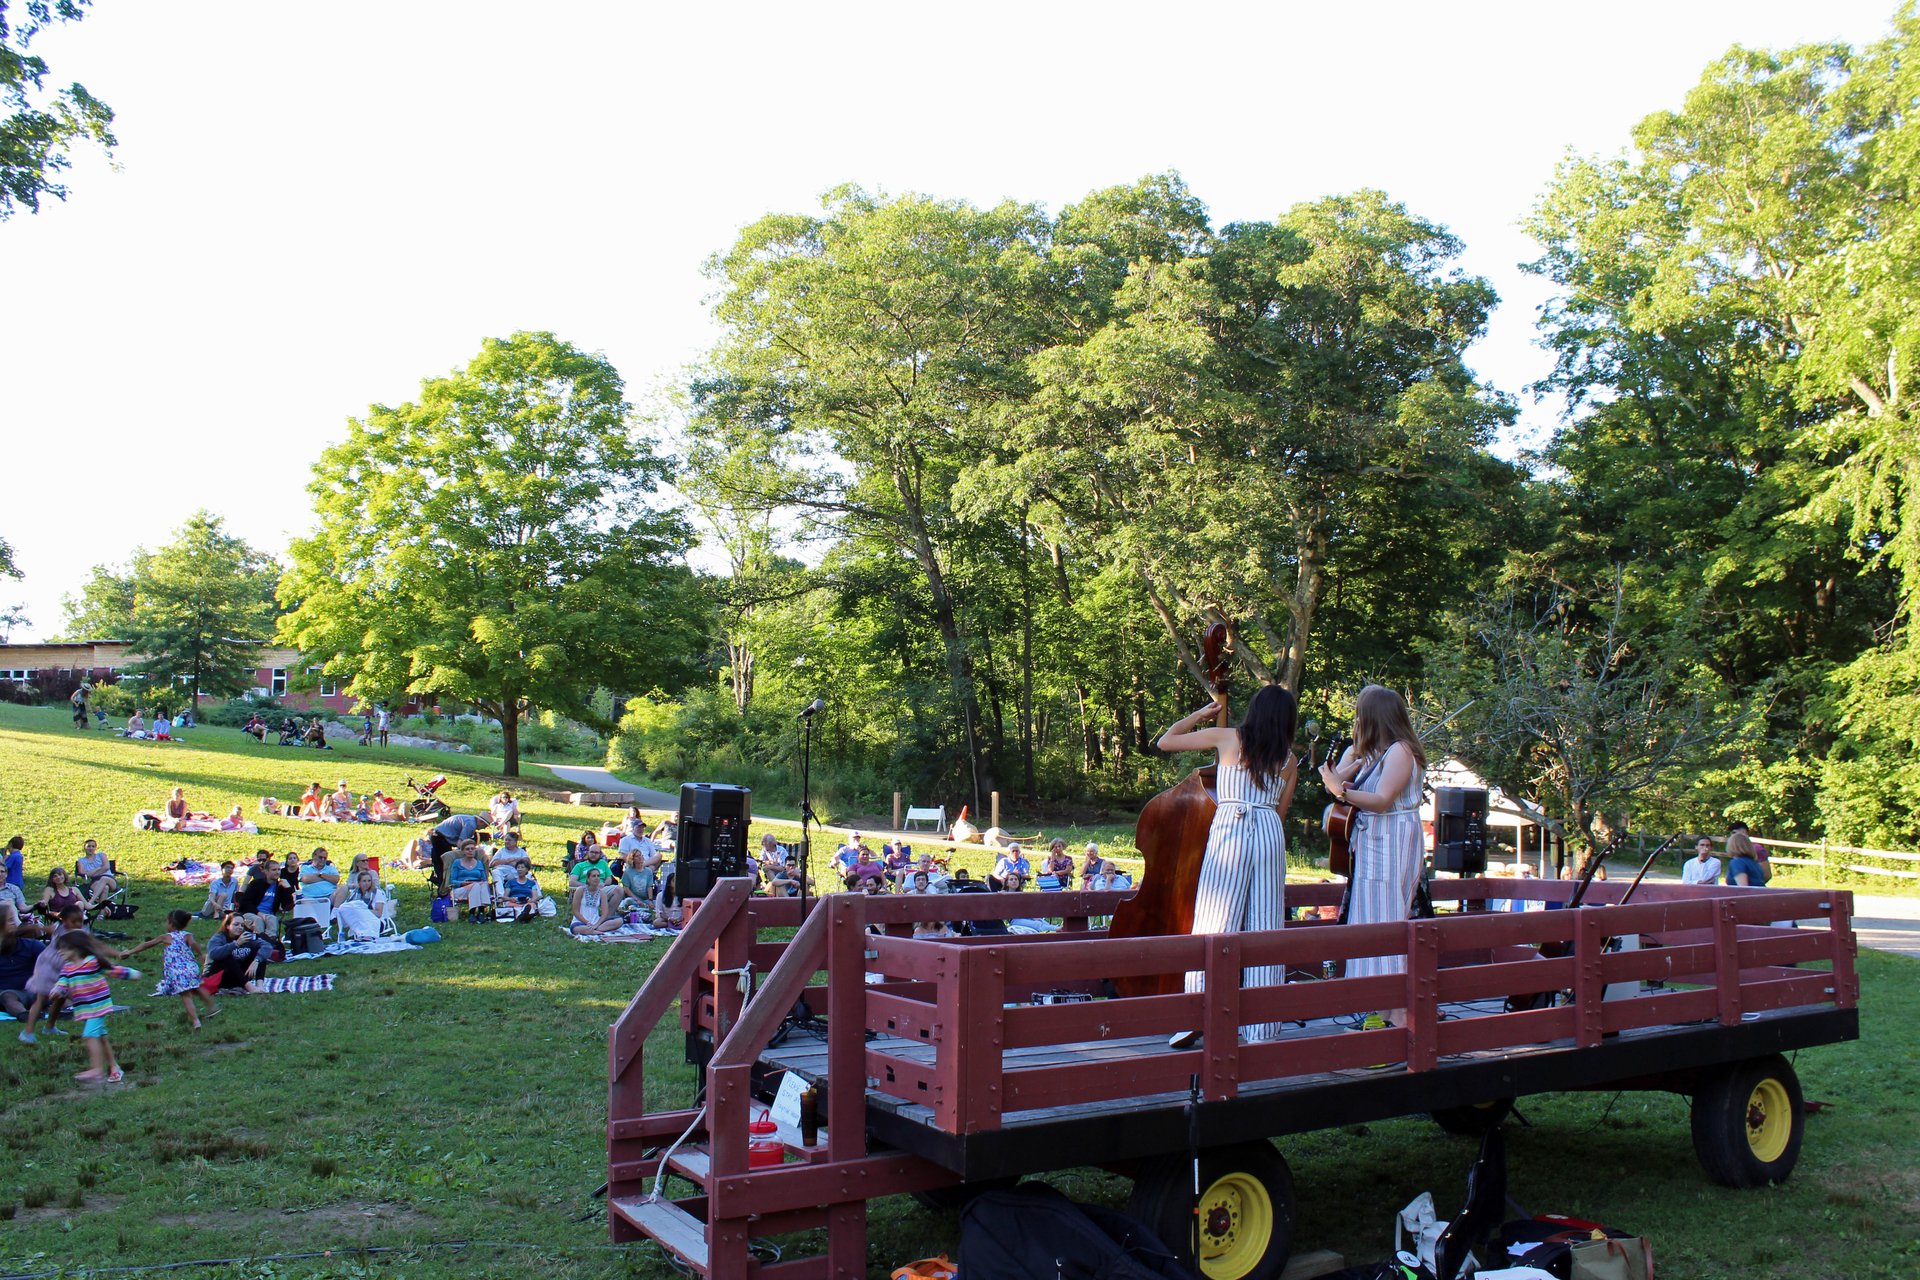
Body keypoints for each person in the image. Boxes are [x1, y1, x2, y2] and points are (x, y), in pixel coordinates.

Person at [1156, 683, 1299, 1047]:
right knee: (1265, 927)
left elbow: (1166, 741)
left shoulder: (1227, 737)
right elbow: (1280, 812)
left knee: (1214, 922)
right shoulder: (1288, 759)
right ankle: (1262, 1029)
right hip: (1268, 829)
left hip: (1231, 826)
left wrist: (1200, 715)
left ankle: (1196, 1017)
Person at [1319, 684, 1425, 1036]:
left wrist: (1341, 790)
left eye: (1361, 714)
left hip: (1393, 839)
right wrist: (1343, 772)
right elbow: (1336, 780)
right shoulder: (1371, 752)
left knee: (1387, 920)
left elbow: (1381, 800)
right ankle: (1374, 1007)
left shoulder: (1401, 751)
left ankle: (1396, 1013)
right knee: (1367, 919)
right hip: (1371, 843)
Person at [51, 930, 141, 1082]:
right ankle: (114, 1068)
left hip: (99, 1006)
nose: (59, 952)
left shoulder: (93, 962)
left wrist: (132, 974)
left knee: (90, 1035)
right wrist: (57, 990)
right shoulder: (68, 967)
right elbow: (63, 983)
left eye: (63, 948)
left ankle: (97, 1069)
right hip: (85, 1008)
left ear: (76, 947)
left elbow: (114, 970)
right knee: (101, 1038)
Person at [124, 910, 218, 1029]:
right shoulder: (187, 935)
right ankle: (211, 1006)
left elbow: (146, 945)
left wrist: (130, 952)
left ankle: (195, 1021)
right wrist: (200, 954)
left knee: (186, 996)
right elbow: (194, 944)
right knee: (196, 988)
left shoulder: (166, 937)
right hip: (191, 968)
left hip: (178, 972)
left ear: (171, 923)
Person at [205, 913, 273, 992]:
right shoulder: (219, 938)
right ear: (227, 926)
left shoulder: (246, 936)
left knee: (260, 952)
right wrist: (236, 944)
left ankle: (260, 986)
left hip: (239, 976)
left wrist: (256, 961)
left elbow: (267, 946)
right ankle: (250, 987)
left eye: (242, 925)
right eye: (236, 924)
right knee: (227, 956)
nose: (240, 927)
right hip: (219, 977)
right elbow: (213, 954)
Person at [426, 812, 491, 890]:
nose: (483, 828)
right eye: (485, 826)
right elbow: (461, 843)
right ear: (481, 822)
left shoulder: (469, 819)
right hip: (440, 838)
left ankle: (444, 886)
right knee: (444, 864)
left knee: (442, 864)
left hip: (441, 836)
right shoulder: (471, 824)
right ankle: (444, 888)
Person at [335, 870, 389, 939]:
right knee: (343, 908)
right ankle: (341, 932)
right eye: (364, 881)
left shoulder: (377, 893)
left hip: (377, 922)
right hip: (360, 921)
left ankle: (365, 935)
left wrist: (362, 910)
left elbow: (379, 913)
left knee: (356, 908)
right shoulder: (355, 893)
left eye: (369, 881)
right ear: (359, 883)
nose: (367, 883)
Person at [569, 867, 624, 935]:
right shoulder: (580, 890)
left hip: (596, 921)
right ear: (588, 879)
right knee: (575, 928)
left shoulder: (601, 893)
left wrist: (596, 925)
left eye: (598, 876)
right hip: (581, 921)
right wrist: (587, 922)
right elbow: (575, 911)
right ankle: (599, 932)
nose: (596, 878)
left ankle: (594, 931)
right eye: (593, 876)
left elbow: (605, 913)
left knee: (619, 920)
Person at [447, 844, 493, 922]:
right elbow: (452, 881)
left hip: (477, 887)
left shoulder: (479, 863)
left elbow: (484, 879)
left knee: (482, 885)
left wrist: (482, 883)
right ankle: (474, 913)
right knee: (476, 886)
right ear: (463, 851)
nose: (470, 851)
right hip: (460, 889)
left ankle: (479, 913)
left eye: (472, 849)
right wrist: (463, 883)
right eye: (467, 849)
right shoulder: (457, 862)